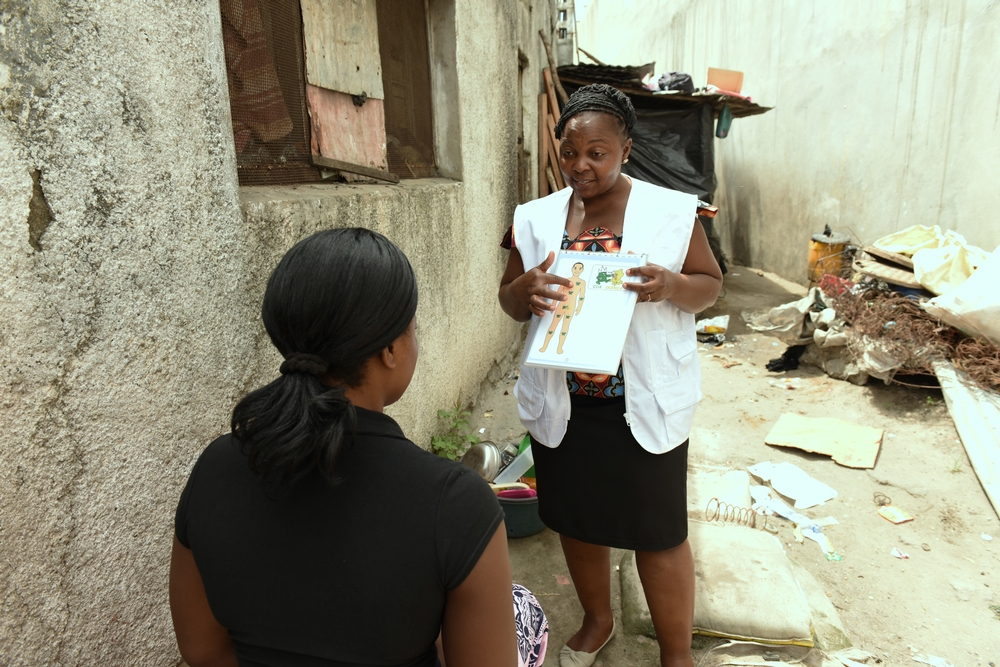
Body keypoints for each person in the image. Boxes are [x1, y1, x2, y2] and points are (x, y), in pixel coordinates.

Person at [170, 228, 547, 667]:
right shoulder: (455, 505)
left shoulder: (217, 465)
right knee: (522, 607)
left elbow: (203, 650)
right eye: (414, 328)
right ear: (390, 349)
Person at [497, 84, 723, 667]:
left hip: (640, 398)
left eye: (597, 152)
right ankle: (597, 622)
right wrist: (524, 292)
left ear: (625, 145)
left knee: (660, 532)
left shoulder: (671, 211)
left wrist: (672, 286)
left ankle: (677, 656)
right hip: (567, 398)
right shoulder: (534, 218)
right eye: (570, 154)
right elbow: (511, 300)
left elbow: (708, 283)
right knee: (578, 519)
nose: (582, 166)